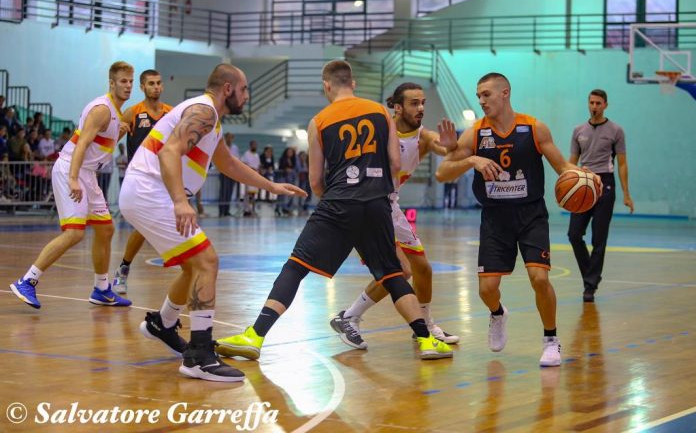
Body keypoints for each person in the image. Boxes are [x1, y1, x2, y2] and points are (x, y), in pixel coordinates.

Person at [216, 60, 453, 361]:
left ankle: (255, 335)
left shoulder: (319, 121)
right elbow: (394, 164)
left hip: (339, 202)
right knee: (392, 273)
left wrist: (336, 203)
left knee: (296, 266)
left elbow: (316, 181)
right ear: (353, 83)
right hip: (378, 202)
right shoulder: (382, 112)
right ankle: (426, 340)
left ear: (326, 86)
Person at [119, 64, 306, 382]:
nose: (247, 96)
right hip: (150, 190)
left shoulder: (210, 119)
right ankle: (199, 356)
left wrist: (271, 186)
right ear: (229, 89)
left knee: (193, 267)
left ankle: (162, 324)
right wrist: (180, 200)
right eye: (245, 89)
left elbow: (228, 163)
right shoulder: (203, 111)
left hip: (147, 191)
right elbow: (169, 153)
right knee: (208, 262)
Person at [436, 72, 602, 367]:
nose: (481, 100)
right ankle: (498, 313)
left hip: (530, 214)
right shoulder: (475, 134)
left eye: (486, 94)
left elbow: (564, 166)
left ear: (505, 93)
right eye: (479, 96)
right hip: (494, 218)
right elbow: (443, 173)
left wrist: (587, 179)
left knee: (539, 278)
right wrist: (471, 159)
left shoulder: (534, 128)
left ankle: (551, 339)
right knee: (486, 290)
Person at [329, 82, 460, 349]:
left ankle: (425, 325)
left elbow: (442, 146)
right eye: (414, 103)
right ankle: (349, 317)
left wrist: (451, 147)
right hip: (366, 204)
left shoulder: (423, 136)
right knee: (400, 270)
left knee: (422, 269)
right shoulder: (379, 128)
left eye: (423, 102)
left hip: (390, 205)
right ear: (398, 107)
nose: (421, 108)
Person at [9, 61, 134, 309]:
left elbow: (100, 145)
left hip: (87, 174)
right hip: (71, 168)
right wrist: (74, 178)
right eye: (123, 81)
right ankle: (27, 280)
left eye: (130, 81)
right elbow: (81, 145)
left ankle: (101, 289)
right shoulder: (102, 109)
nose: (128, 86)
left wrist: (120, 131)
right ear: (111, 83)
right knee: (75, 232)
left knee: (106, 229)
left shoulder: (115, 114)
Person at [568, 89, 633, 303]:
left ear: (605, 105)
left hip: (605, 184)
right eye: (591, 102)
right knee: (574, 234)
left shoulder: (616, 131)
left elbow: (622, 163)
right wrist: (566, 186)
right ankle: (592, 275)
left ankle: (589, 285)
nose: (594, 106)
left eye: (598, 103)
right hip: (583, 183)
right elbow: (572, 161)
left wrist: (626, 193)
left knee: (599, 238)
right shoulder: (578, 130)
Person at [112, 69, 174, 294]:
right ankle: (123, 269)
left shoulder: (171, 113)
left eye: (158, 83)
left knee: (176, 218)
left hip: (164, 178)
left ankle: (178, 257)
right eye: (151, 83)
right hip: (139, 180)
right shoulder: (132, 113)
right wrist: (118, 128)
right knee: (142, 227)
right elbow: (110, 141)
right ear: (142, 87)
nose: (156, 87)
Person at [218, 132, 239, 217]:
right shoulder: (222, 147)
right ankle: (221, 211)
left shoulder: (235, 148)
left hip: (232, 173)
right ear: (225, 138)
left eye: (231, 138)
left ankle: (227, 210)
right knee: (223, 192)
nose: (229, 139)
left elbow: (237, 159)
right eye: (228, 137)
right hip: (223, 172)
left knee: (229, 192)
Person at [240, 140, 260, 216]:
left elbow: (258, 165)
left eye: (256, 145)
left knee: (254, 194)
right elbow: (243, 163)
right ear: (250, 145)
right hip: (248, 176)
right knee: (248, 194)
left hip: (255, 176)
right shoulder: (246, 154)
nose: (255, 146)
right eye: (253, 145)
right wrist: (251, 168)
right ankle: (246, 209)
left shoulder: (257, 155)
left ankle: (253, 209)